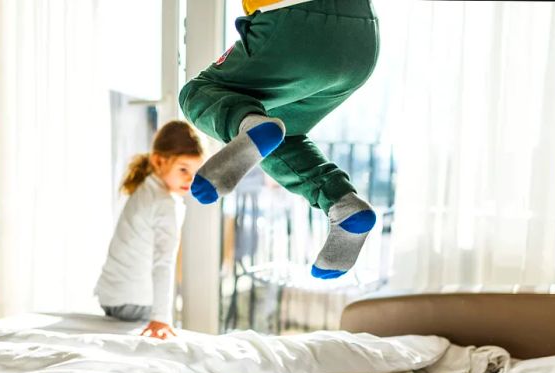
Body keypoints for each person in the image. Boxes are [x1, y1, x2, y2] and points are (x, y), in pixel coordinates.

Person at [180, 0, 379, 280]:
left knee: (198, 93)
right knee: (282, 132)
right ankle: (343, 204)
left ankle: (248, 124)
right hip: (363, 40)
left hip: (294, 21)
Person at [95, 121, 204, 339]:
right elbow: (164, 263)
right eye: (183, 169)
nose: (191, 179)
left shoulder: (145, 188)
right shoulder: (165, 204)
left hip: (110, 298)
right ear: (158, 161)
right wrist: (161, 318)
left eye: (196, 171)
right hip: (132, 303)